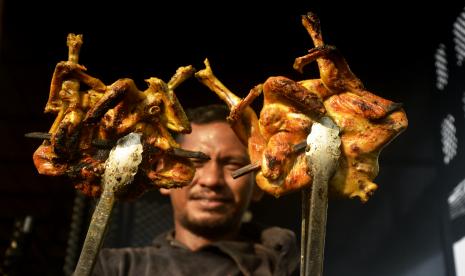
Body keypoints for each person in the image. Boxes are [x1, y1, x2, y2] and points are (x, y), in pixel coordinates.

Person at [92, 104, 299, 275]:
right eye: (196, 163)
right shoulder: (115, 268)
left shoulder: (280, 265)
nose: (211, 180)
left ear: (258, 186)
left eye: (233, 165)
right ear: (164, 175)